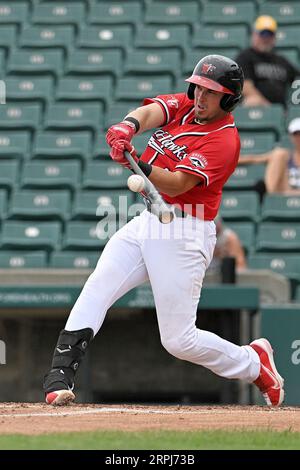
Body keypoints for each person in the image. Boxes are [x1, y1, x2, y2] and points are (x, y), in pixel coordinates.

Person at [43, 55, 284, 407]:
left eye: (211, 92)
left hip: (185, 230)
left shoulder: (224, 141)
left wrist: (137, 161)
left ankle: (254, 363)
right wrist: (127, 126)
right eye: (198, 88)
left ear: (229, 98)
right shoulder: (189, 105)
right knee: (99, 284)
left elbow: (176, 184)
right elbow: (151, 113)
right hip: (149, 220)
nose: (200, 97)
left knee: (179, 340)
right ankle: (59, 375)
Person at [236, 15, 299, 107]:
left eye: (270, 34)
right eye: (263, 33)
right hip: (259, 108)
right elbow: (246, 88)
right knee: (251, 101)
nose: (266, 38)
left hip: (282, 110)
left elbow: (297, 78)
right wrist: (269, 108)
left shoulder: (281, 60)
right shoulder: (245, 57)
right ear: (254, 35)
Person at [239, 117, 300, 195]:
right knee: (278, 154)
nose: (299, 137)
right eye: (296, 134)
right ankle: (272, 200)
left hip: (290, 196)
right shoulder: (284, 156)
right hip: (285, 197)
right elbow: (254, 159)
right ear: (291, 136)